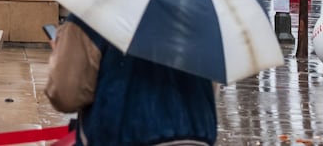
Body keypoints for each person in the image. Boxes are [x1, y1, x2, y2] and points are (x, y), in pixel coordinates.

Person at [45, 14, 217, 146]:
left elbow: (66, 94)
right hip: (194, 135)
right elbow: (211, 85)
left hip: (121, 134)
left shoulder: (95, 9)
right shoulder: (199, 14)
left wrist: (61, 56)